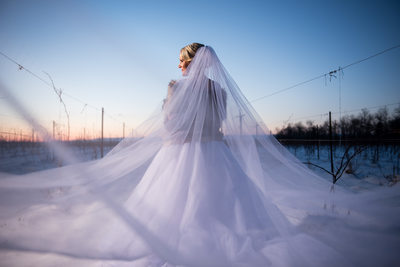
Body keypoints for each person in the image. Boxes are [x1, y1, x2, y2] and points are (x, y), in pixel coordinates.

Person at [0, 43, 399, 267]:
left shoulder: (176, 89)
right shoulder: (220, 92)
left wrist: (170, 121)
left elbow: (172, 126)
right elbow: (218, 125)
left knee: (172, 207)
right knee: (228, 205)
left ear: (185, 64)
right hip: (216, 154)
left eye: (179, 60)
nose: (178, 66)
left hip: (179, 155)